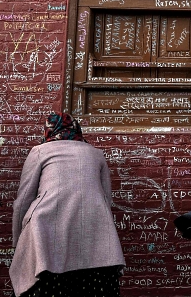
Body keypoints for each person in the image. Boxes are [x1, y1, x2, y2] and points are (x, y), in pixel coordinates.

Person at [10, 112, 125, 297]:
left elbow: (23, 200)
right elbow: (106, 198)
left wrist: (18, 244)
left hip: (45, 230)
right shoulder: (96, 153)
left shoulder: (39, 151)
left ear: (48, 130)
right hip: (94, 231)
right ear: (76, 128)